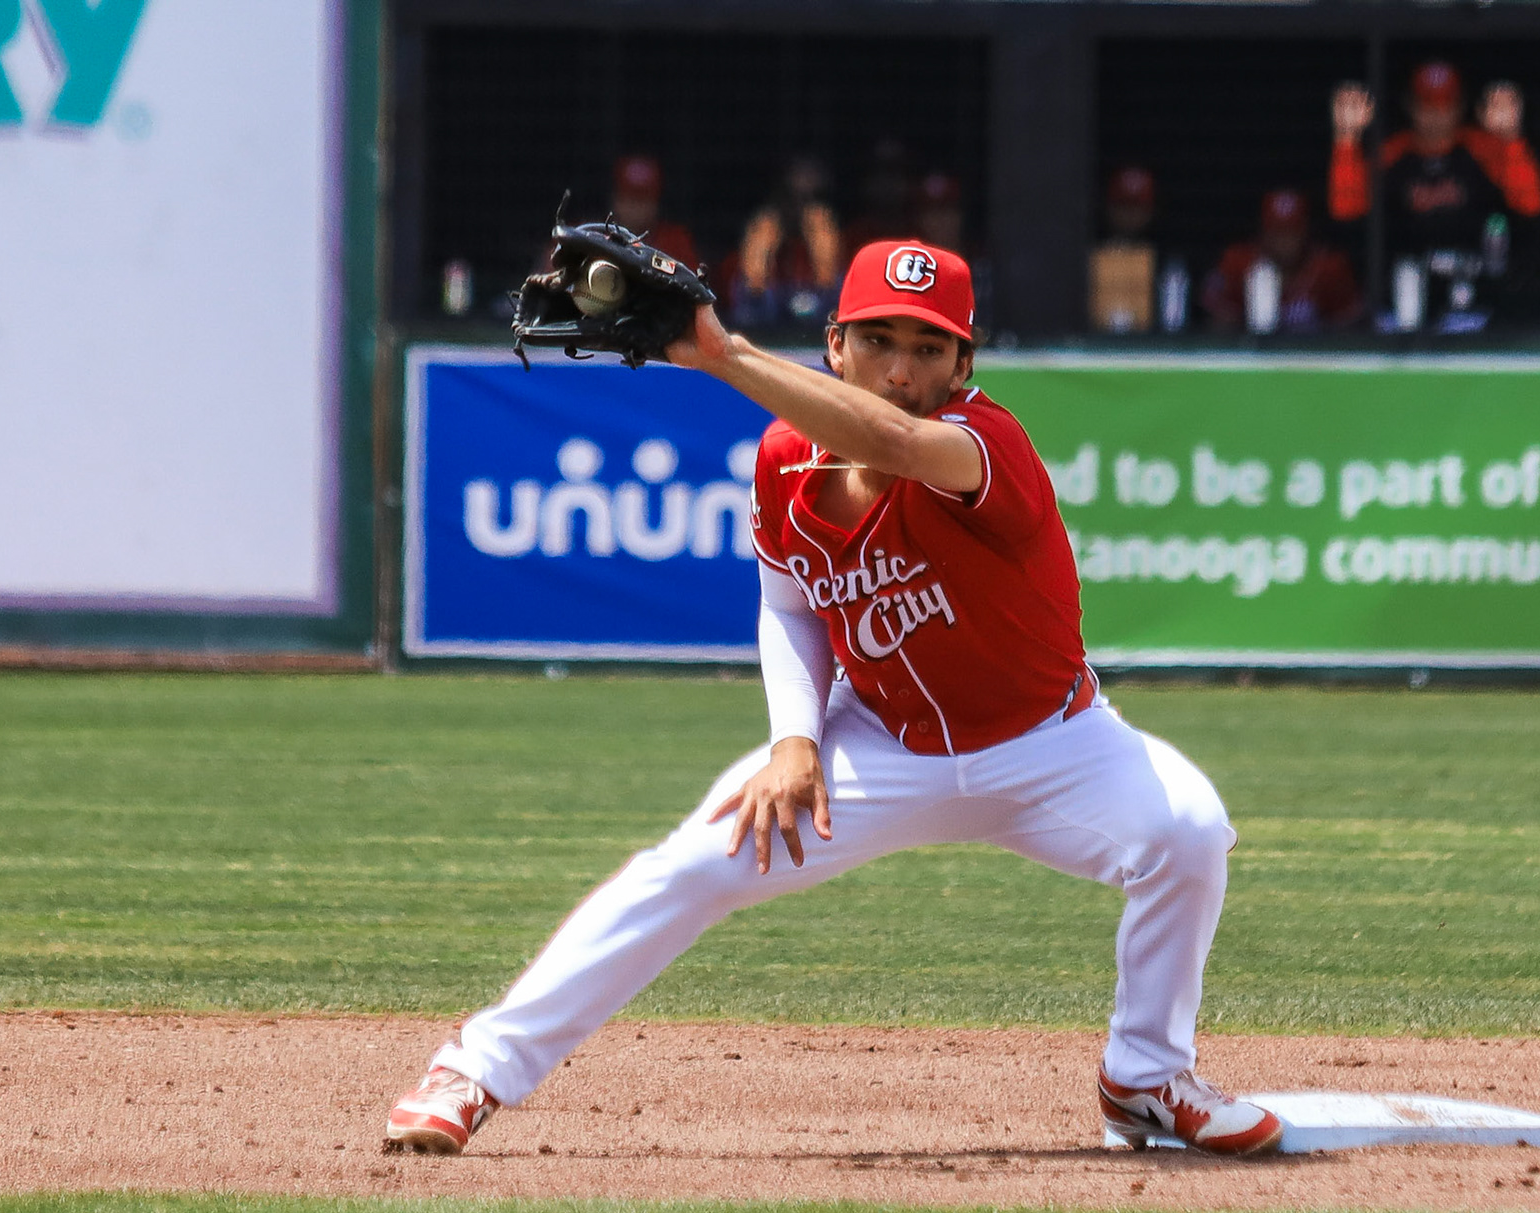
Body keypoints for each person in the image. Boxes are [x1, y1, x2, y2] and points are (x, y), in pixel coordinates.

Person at [385, 238, 1284, 1161]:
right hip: (883, 745)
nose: (901, 371)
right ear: (833, 344)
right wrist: (793, 740)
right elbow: (788, 607)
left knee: (1187, 832)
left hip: (1050, 744)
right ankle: (473, 1071)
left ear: (964, 366)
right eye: (878, 340)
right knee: (690, 867)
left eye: (930, 349)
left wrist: (722, 354)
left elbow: (889, 441)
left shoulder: (987, 447)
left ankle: (1144, 1078)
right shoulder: (783, 459)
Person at [1328, 63, 1540, 324]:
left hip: (1474, 298)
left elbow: (1530, 204)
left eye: (1445, 105)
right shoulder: (1392, 153)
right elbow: (1346, 210)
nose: (1436, 114)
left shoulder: (1483, 148)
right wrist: (1346, 138)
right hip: (1404, 300)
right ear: (1411, 105)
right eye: (1428, 105)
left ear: (1460, 106)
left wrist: (1511, 138)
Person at [1202, 188, 1363, 333]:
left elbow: (1351, 323)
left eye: (1292, 233)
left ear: (1306, 232)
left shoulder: (1329, 267)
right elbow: (1216, 319)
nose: (1284, 242)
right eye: (1277, 232)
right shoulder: (1238, 262)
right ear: (1263, 233)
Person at [725, 155, 843, 329]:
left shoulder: (842, 244)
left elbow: (837, 316)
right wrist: (756, 277)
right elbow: (745, 320)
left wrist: (827, 271)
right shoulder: (745, 252)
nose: (801, 211)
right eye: (791, 197)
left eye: (811, 199)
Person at [1088, 165, 1161, 333]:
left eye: (1137, 207)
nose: (1129, 215)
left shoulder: (1168, 260)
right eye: (1122, 206)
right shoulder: (1088, 256)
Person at [608, 155, 700, 269]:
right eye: (630, 199)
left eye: (643, 200)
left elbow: (690, 281)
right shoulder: (597, 236)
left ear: (656, 203)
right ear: (616, 200)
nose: (636, 208)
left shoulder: (675, 242)